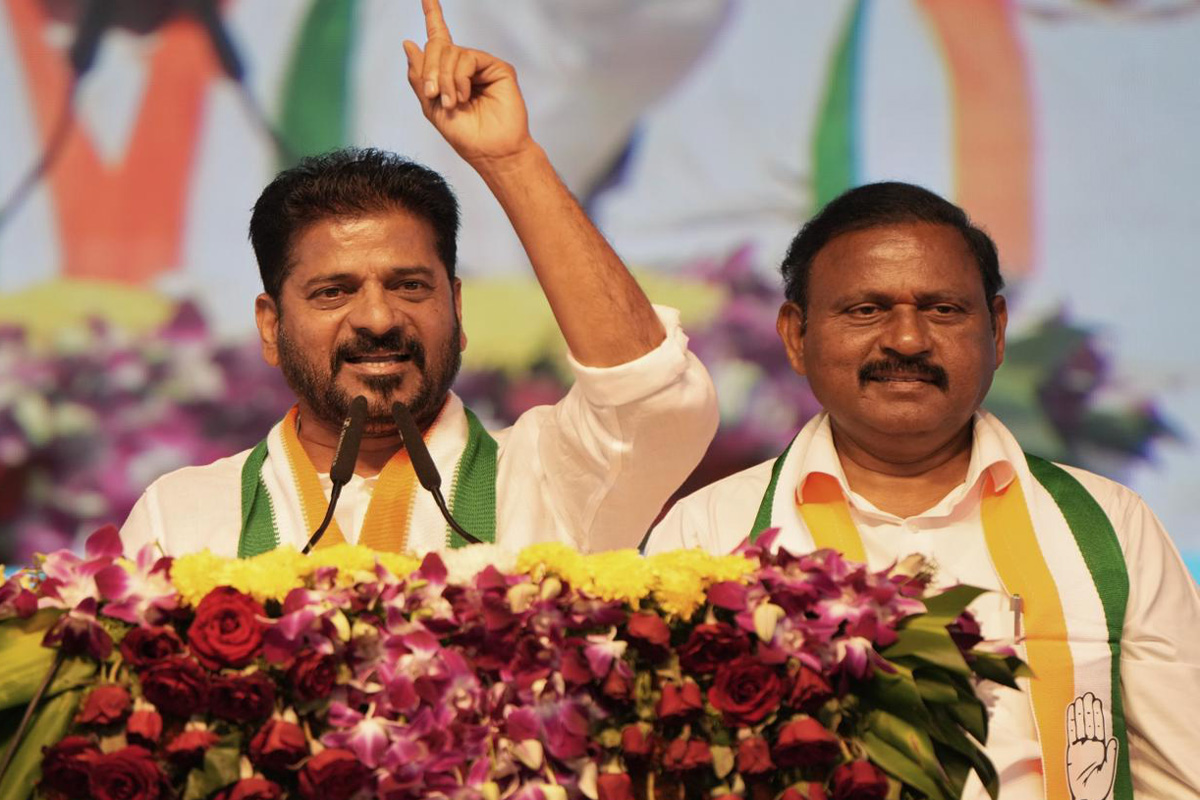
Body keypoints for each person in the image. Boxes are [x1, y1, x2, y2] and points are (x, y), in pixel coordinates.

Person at [645, 182, 1199, 800]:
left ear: (996, 329)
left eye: (943, 310)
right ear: (796, 336)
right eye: (866, 310)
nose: (907, 340)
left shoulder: (1108, 525)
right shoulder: (707, 534)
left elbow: (1183, 778)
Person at [119, 0, 716, 560]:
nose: (378, 319)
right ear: (270, 327)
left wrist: (510, 159)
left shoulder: (549, 477)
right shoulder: (182, 517)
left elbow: (654, 401)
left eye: (410, 286)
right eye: (333, 292)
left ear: (457, 309)